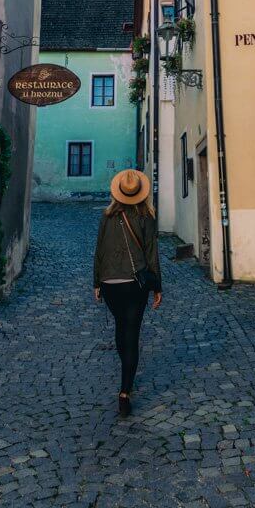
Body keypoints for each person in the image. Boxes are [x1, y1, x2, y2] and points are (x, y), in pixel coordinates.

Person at [93, 169, 162, 417]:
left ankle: (126, 368)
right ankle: (124, 391)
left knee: (121, 327)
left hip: (110, 282)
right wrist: (157, 286)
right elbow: (152, 253)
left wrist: (97, 282)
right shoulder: (146, 216)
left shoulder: (106, 216)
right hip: (135, 283)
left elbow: (99, 250)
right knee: (132, 332)